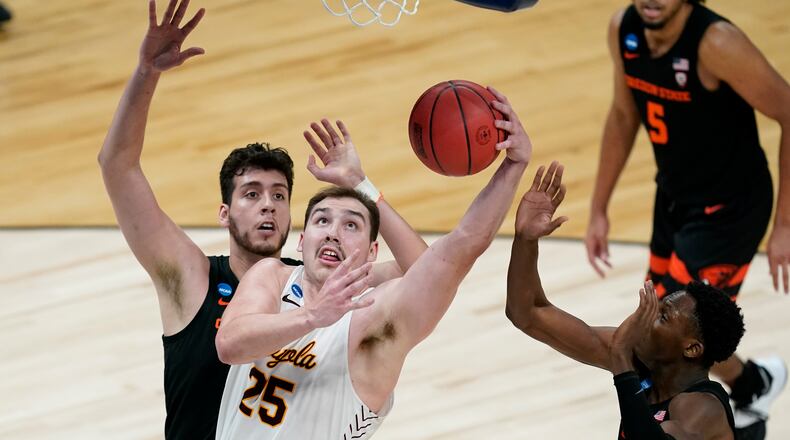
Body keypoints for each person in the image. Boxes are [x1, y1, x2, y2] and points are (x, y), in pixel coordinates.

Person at [97, 1, 426, 438]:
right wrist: (145, 73)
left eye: (280, 195)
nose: (268, 205)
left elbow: (424, 271)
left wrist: (360, 185)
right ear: (224, 212)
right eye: (251, 195)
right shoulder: (192, 278)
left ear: (296, 221)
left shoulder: (319, 284)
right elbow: (117, 166)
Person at [213, 88, 534, 439]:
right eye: (321, 220)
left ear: (371, 254)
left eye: (351, 224)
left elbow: (451, 255)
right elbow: (230, 345)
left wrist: (513, 167)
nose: (333, 232)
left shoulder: (373, 318)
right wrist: (312, 316)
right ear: (302, 242)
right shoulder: (272, 277)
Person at [584, 0, 790, 435]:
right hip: (674, 196)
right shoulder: (623, 28)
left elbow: (789, 112)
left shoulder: (717, 43)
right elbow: (624, 116)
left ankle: (688, 420)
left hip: (728, 211)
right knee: (659, 316)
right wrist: (598, 205)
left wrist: (785, 226)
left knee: (676, 332)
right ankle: (752, 385)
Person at [507, 162, 744, 439]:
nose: (647, 316)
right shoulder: (642, 362)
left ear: (691, 348)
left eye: (662, 316)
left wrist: (620, 357)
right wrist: (525, 239)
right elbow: (528, 313)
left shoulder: (702, 409)